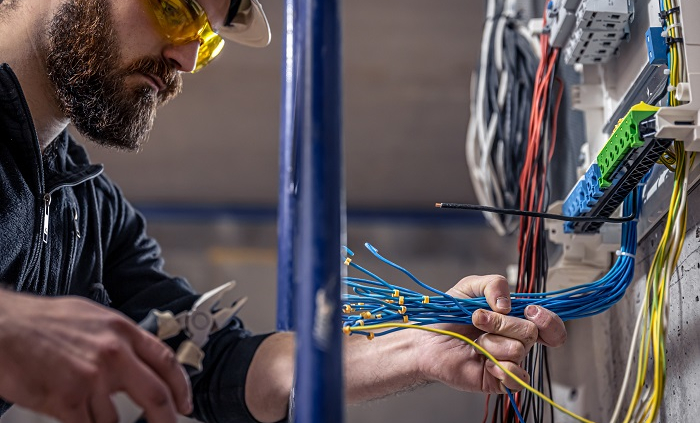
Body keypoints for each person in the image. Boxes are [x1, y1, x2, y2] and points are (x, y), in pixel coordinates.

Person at [0, 0, 568, 422]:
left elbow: (218, 366)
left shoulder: (86, 212)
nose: (188, 58)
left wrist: (418, 344)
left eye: (207, 36)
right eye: (175, 9)